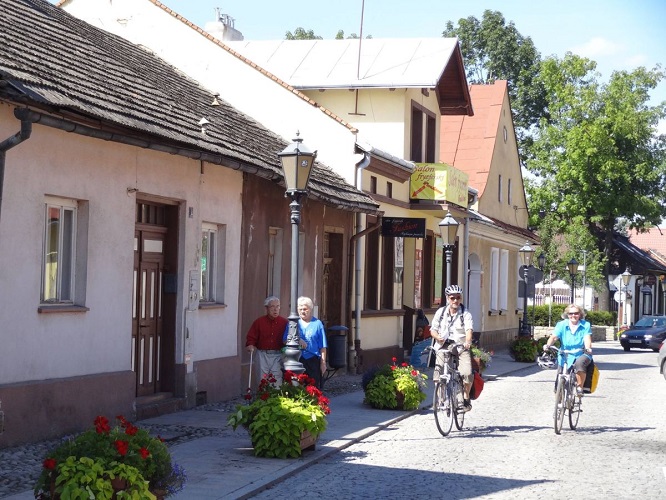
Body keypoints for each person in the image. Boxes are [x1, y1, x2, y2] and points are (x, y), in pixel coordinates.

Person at [430, 284, 475, 412]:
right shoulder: (441, 312)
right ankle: (440, 399)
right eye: (452, 298)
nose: (455, 300)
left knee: (466, 373)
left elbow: (469, 330)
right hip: (443, 345)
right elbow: (433, 329)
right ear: (447, 298)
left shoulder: (465, 314)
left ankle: (465, 397)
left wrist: (467, 341)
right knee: (438, 373)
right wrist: (437, 337)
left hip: (460, 346)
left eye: (458, 298)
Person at [542, 304, 592, 396]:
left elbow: (587, 337)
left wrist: (588, 348)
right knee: (560, 375)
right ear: (567, 315)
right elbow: (554, 337)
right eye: (571, 313)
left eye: (576, 313)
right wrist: (548, 345)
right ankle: (559, 398)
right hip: (564, 352)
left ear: (580, 314)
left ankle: (579, 387)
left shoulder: (585, 325)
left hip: (580, 352)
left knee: (580, 364)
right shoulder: (561, 325)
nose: (573, 315)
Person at [284, 296, 328, 389]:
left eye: (305, 309)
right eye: (300, 309)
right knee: (296, 386)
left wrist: (323, 363)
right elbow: (285, 340)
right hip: (297, 359)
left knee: (313, 388)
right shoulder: (293, 323)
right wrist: (297, 339)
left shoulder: (317, 323)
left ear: (310, 309)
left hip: (313, 359)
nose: (302, 311)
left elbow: (322, 346)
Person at [246, 296, 288, 386]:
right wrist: (250, 345)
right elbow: (251, 337)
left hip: (278, 354)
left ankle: (276, 398)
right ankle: (263, 398)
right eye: (272, 307)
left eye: (278, 306)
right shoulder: (259, 322)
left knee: (277, 379)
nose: (275, 309)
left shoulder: (284, 322)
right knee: (262, 380)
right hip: (262, 354)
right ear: (266, 308)